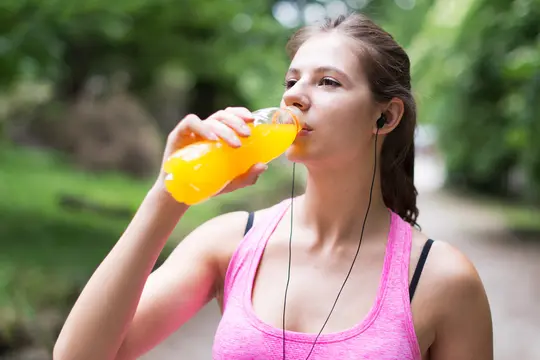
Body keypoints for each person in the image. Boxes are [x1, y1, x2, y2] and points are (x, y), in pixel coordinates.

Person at [54, 12, 493, 360]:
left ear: (386, 117)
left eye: (327, 82)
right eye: (291, 80)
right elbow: (80, 355)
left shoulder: (441, 280)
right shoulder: (232, 243)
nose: (294, 96)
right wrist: (169, 195)